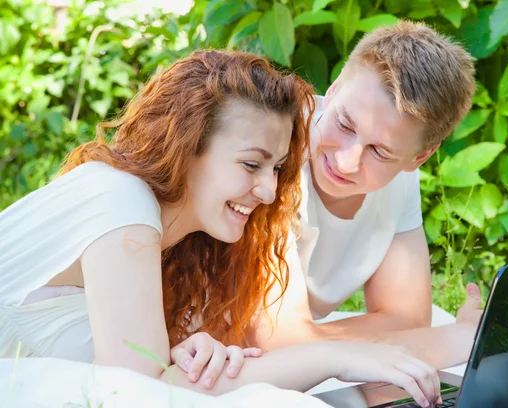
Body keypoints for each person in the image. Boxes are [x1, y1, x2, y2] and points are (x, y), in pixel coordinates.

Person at [0, 50, 441, 407]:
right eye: (252, 164)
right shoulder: (120, 200)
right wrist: (338, 356)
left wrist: (189, 351)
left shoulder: (191, 244)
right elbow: (139, 393)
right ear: (188, 144)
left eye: (277, 168)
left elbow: (164, 371)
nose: (269, 191)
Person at [248, 20, 483, 370]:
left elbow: (408, 319)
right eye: (344, 124)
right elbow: (281, 344)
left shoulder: (400, 179)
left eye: (380, 152)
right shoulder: (273, 154)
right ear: (335, 88)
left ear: (418, 158)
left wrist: (310, 339)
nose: (346, 161)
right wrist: (455, 339)